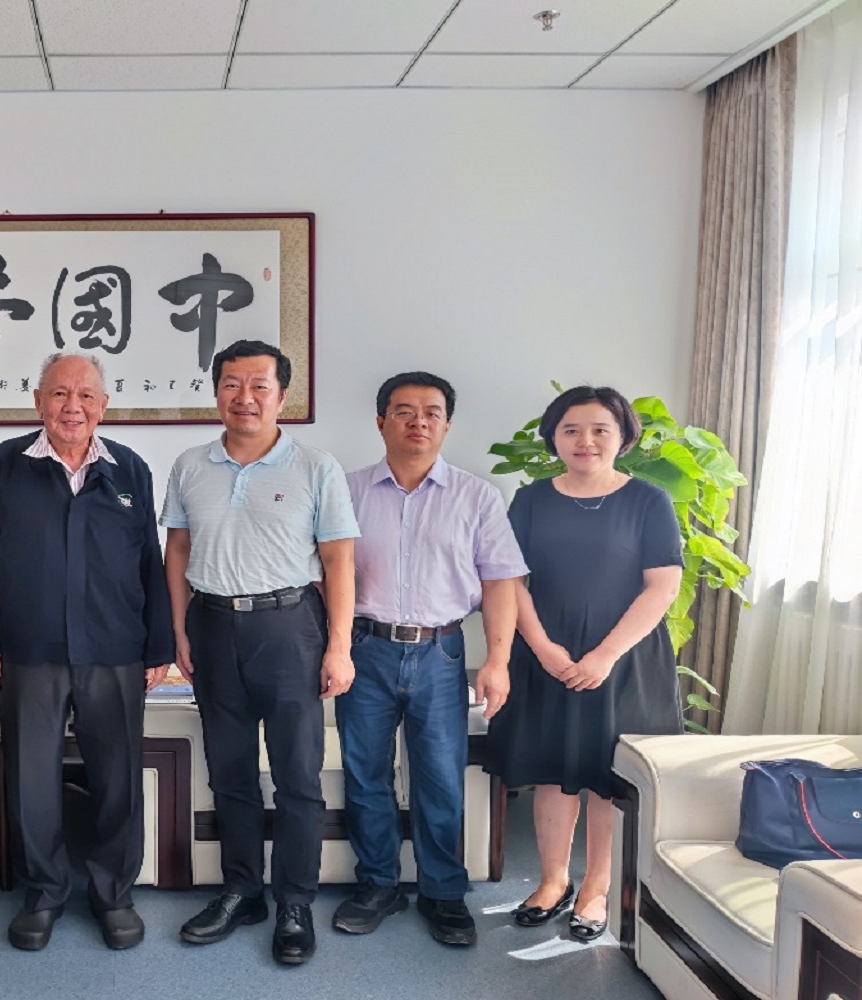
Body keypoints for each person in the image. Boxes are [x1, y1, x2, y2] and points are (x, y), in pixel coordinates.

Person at [0, 353, 174, 952]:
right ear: (38, 401)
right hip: (30, 648)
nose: (72, 406)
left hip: (115, 647)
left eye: (85, 396)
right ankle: (44, 892)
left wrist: (158, 644)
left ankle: (113, 893)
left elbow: (149, 561)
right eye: (59, 394)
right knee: (31, 776)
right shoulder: (4, 465)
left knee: (117, 775)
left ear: (104, 405)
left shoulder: (128, 469)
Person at [162, 339, 359, 967]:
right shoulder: (190, 465)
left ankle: (294, 902)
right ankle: (242, 890)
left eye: (259, 386)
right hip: (213, 625)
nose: (244, 397)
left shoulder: (316, 467)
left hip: (289, 628)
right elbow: (178, 551)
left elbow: (339, 560)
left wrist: (340, 646)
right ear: (216, 391)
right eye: (231, 384)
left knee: (298, 776)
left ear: (282, 396)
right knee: (230, 772)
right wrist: (178, 631)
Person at [333, 372, 525, 948]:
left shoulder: (477, 496)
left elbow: (500, 582)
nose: (418, 421)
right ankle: (378, 885)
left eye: (432, 413)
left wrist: (497, 660)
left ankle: (443, 892)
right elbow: (325, 575)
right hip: (365, 649)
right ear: (381, 422)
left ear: (446, 424)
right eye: (404, 411)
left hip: (441, 651)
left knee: (440, 777)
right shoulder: (345, 490)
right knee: (366, 774)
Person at [485, 385, 682, 941]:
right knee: (553, 769)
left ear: (623, 437)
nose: (585, 441)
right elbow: (510, 580)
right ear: (554, 437)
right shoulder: (531, 500)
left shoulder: (648, 501)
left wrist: (604, 655)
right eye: (571, 429)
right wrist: (543, 648)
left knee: (607, 776)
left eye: (600, 430)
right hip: (548, 653)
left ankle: (596, 888)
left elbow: (662, 587)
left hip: (625, 659)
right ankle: (553, 881)